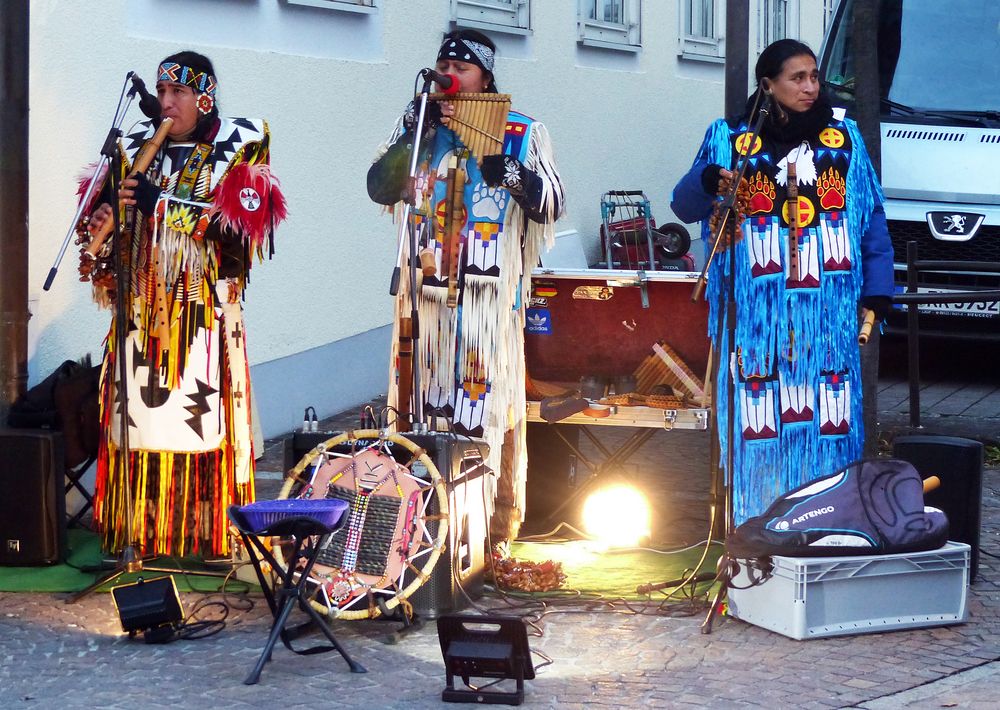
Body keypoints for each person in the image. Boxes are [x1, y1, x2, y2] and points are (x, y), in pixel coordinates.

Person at [670, 39, 894, 524]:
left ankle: (828, 523)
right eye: (798, 78)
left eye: (815, 76)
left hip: (826, 315)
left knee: (827, 416)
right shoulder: (731, 137)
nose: (811, 87)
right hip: (756, 315)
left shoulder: (844, 136)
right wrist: (707, 179)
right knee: (760, 417)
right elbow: (684, 207)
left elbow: (872, 216)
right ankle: (757, 528)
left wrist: (878, 289)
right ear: (767, 85)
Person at [77, 51, 286, 556]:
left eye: (179, 94)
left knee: (201, 413)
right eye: (162, 93)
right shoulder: (133, 147)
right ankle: (142, 526)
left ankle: (205, 528)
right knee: (139, 415)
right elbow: (102, 220)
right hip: (142, 305)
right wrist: (102, 219)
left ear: (204, 97)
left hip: (201, 310)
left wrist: (160, 205)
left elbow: (236, 225)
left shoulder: (240, 143)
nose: (166, 104)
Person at [367, 29, 564, 541]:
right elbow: (379, 187)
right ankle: (419, 521)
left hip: (487, 300)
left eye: (461, 70)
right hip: (423, 301)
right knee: (420, 406)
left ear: (485, 79)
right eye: (442, 68)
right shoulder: (418, 132)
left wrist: (510, 172)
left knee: (479, 406)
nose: (448, 78)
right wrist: (415, 132)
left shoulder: (522, 132)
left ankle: (481, 530)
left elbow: (551, 204)